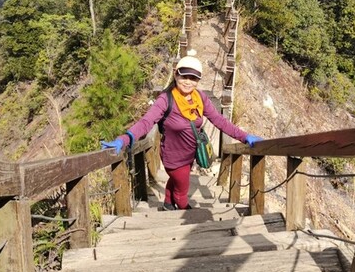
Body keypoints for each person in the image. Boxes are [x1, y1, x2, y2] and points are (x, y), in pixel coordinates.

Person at [101, 52, 262, 211]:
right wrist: (124, 139)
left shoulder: (199, 98)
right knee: (182, 194)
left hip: (190, 154)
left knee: (176, 181)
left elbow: (219, 121)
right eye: (184, 76)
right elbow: (146, 122)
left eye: (193, 78)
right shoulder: (166, 99)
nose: (188, 82)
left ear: (198, 80)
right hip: (173, 157)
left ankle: (168, 205)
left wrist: (244, 136)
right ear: (175, 75)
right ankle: (186, 216)